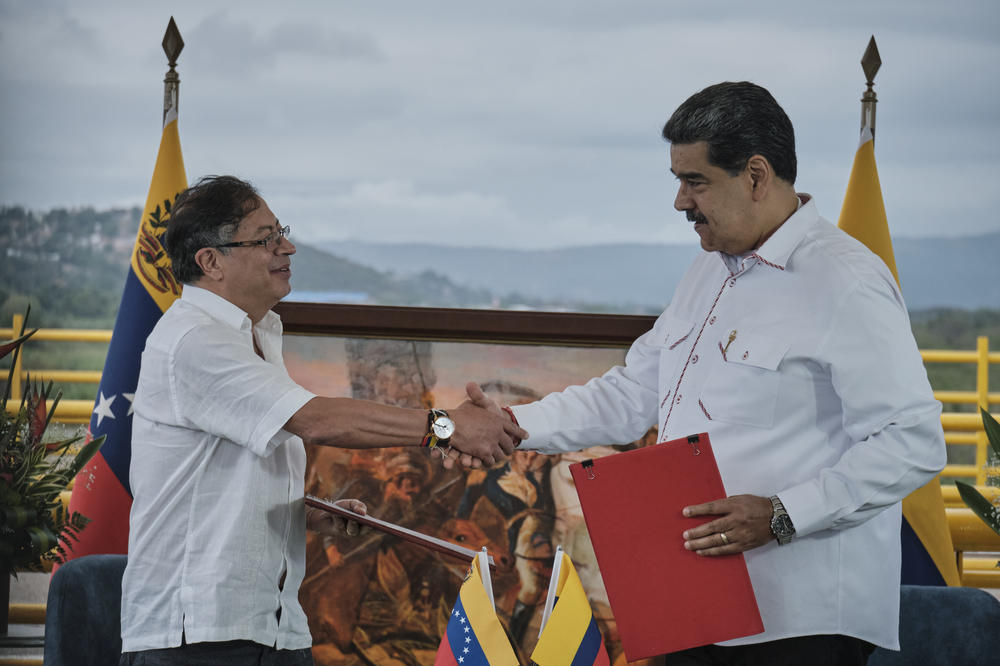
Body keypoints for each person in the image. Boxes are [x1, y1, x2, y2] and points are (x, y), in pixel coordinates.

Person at [464, 82, 947, 664]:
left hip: (799, 621)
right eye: (678, 181)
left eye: (694, 182)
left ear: (756, 176)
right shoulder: (707, 271)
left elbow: (912, 440)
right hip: (694, 601)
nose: (679, 202)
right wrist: (510, 423)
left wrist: (783, 515)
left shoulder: (845, 280)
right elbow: (633, 391)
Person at [118, 175, 526, 665]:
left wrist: (310, 513)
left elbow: (224, 480)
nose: (287, 247)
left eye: (281, 232)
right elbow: (317, 421)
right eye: (265, 239)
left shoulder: (258, 333)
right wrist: (448, 426)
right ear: (211, 262)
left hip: (268, 628)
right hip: (199, 638)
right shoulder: (195, 340)